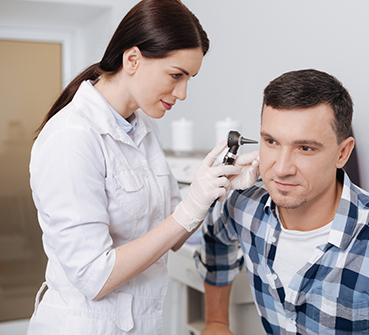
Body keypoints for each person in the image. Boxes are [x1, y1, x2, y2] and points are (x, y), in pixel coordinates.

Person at [26, 0, 259, 333]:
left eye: (190, 78)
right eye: (176, 75)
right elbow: (95, 276)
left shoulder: (144, 128)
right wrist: (190, 207)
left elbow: (175, 236)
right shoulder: (71, 138)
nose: (183, 92)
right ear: (132, 59)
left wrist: (214, 190)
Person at [195, 69, 369, 334]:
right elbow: (214, 237)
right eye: (271, 141)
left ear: (342, 153)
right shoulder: (243, 204)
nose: (281, 169)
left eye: (305, 148)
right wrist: (216, 321)